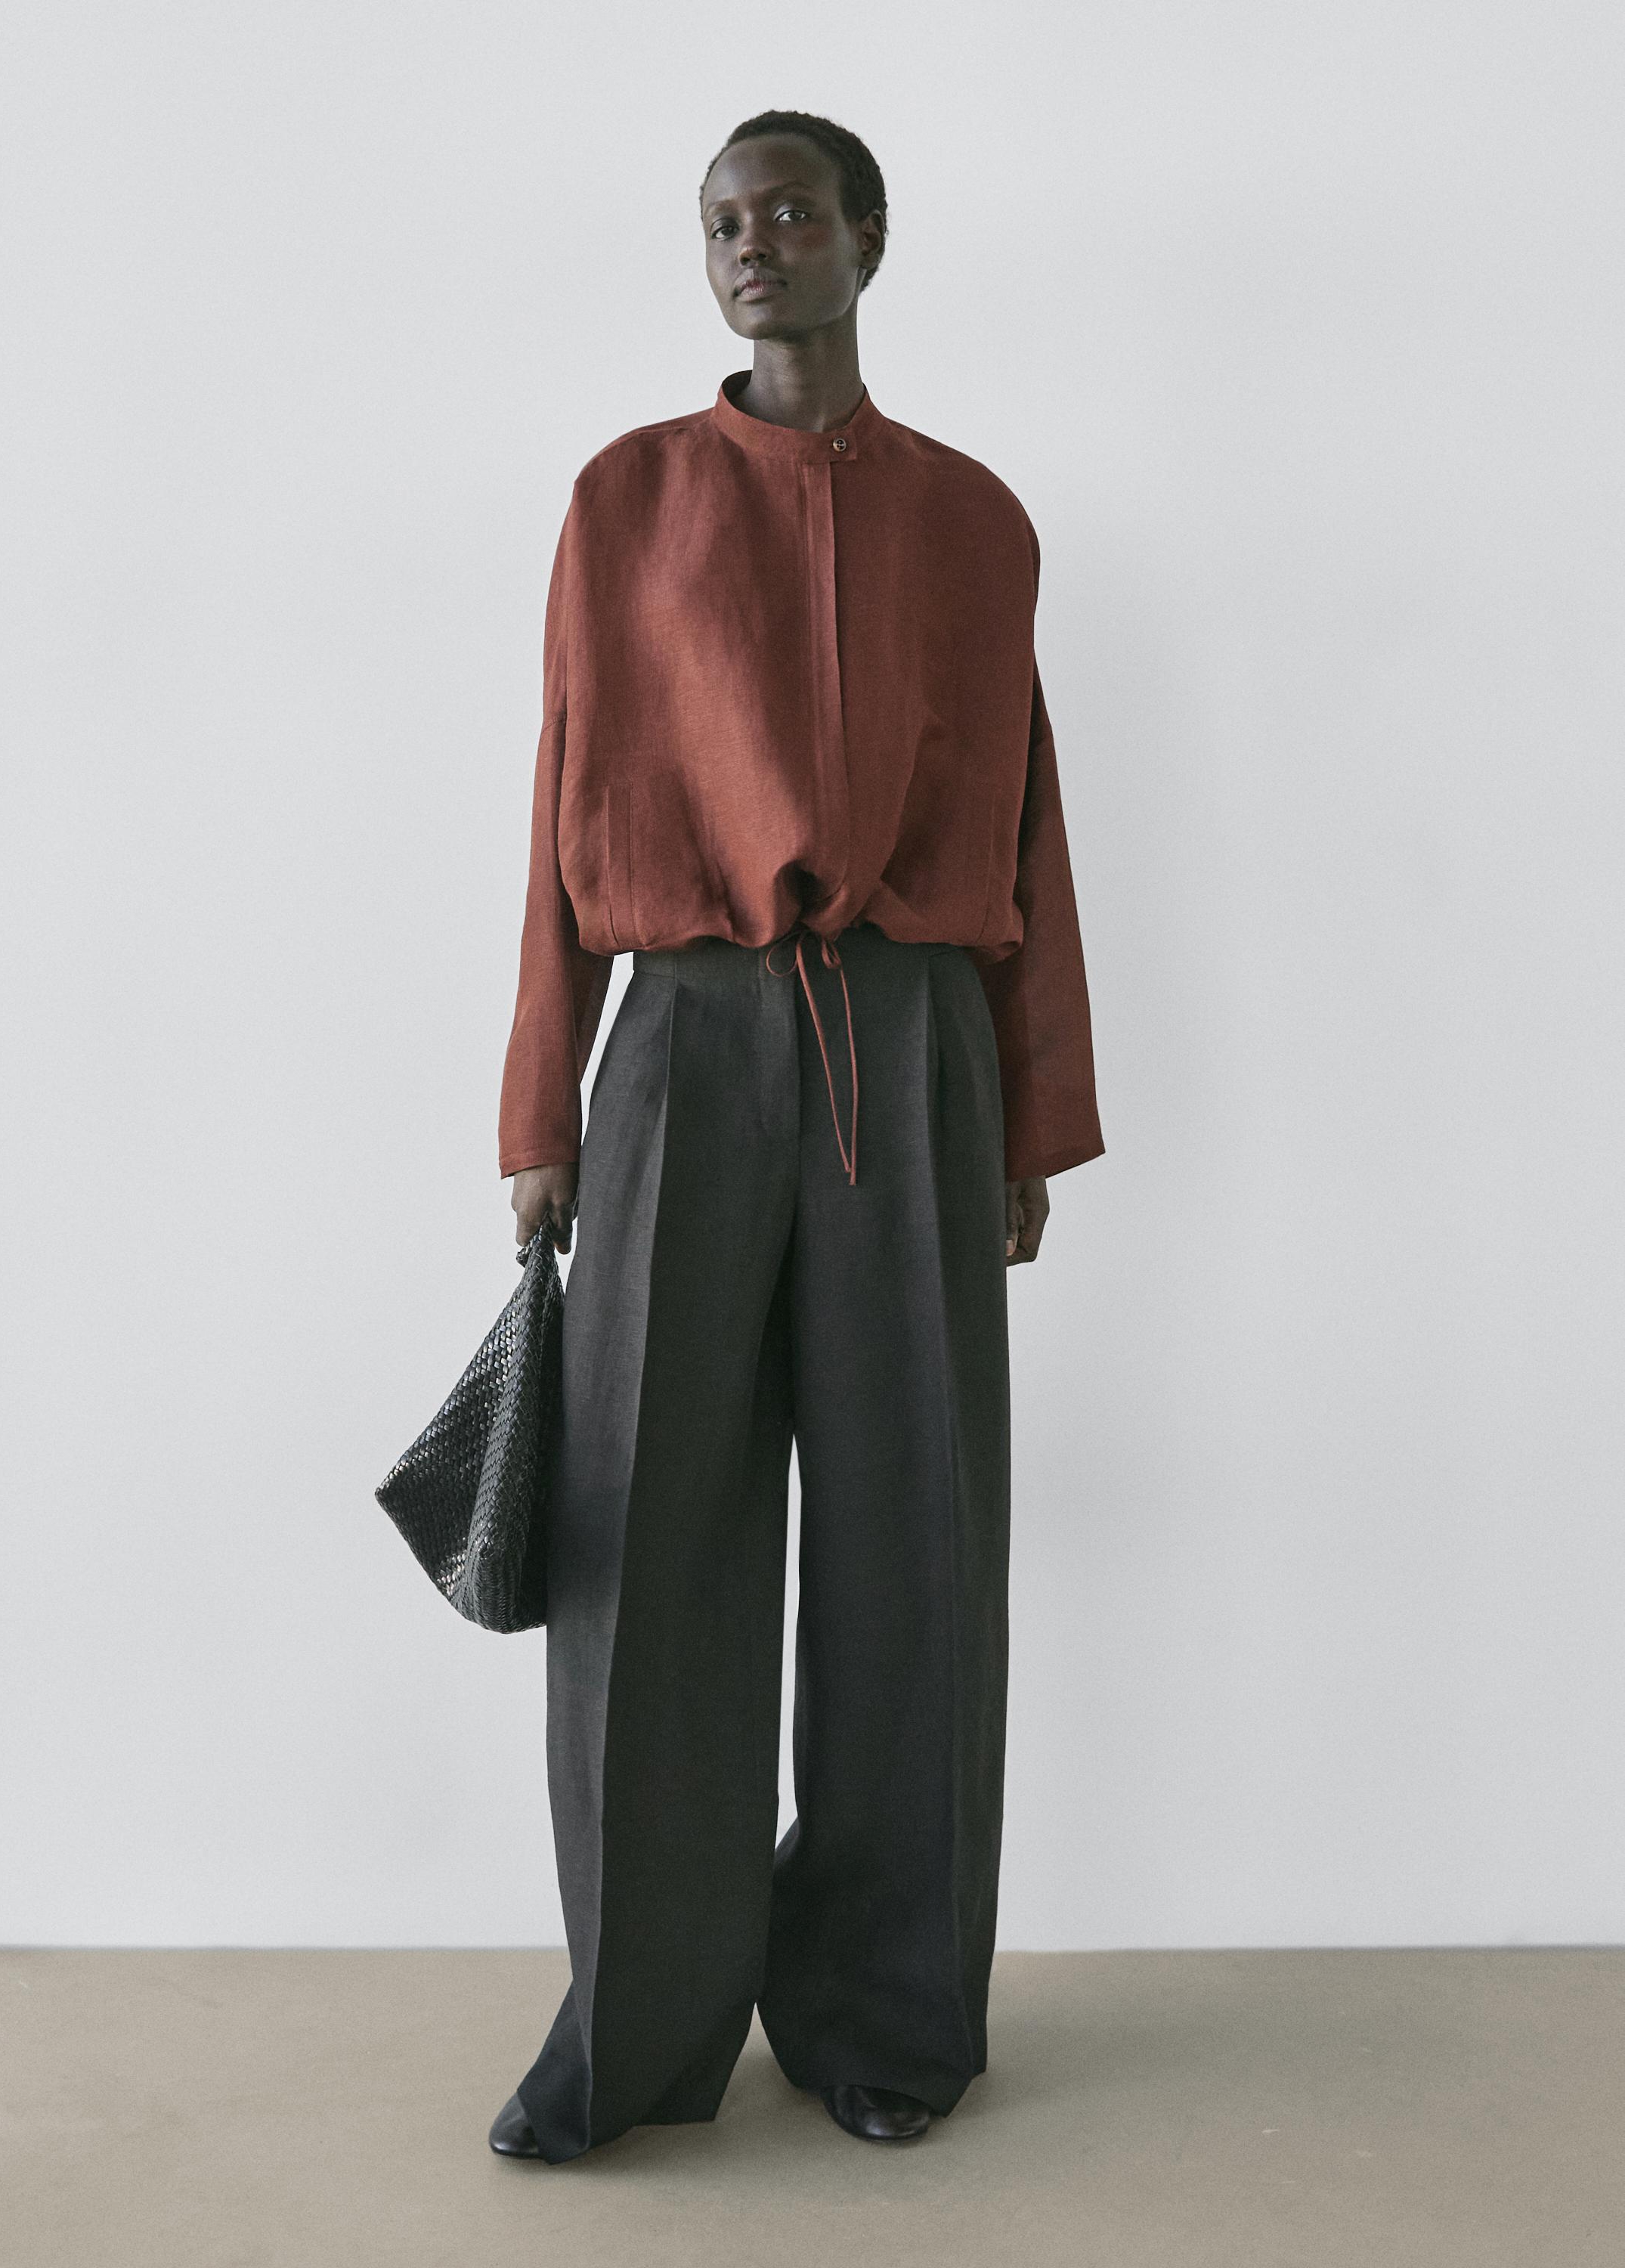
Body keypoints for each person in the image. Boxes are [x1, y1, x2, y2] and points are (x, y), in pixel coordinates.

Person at [490, 109, 1103, 2164]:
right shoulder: (627, 500)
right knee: (644, 1543)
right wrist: (539, 1101)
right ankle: (640, 2035)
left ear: (867, 237)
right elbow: (561, 796)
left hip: (912, 1050)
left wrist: (1029, 1113)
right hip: (684, 1044)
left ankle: (884, 2022)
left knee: (915, 1544)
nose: (754, 244)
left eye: (791, 213)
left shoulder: (977, 522)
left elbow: (1027, 821)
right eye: (723, 222)